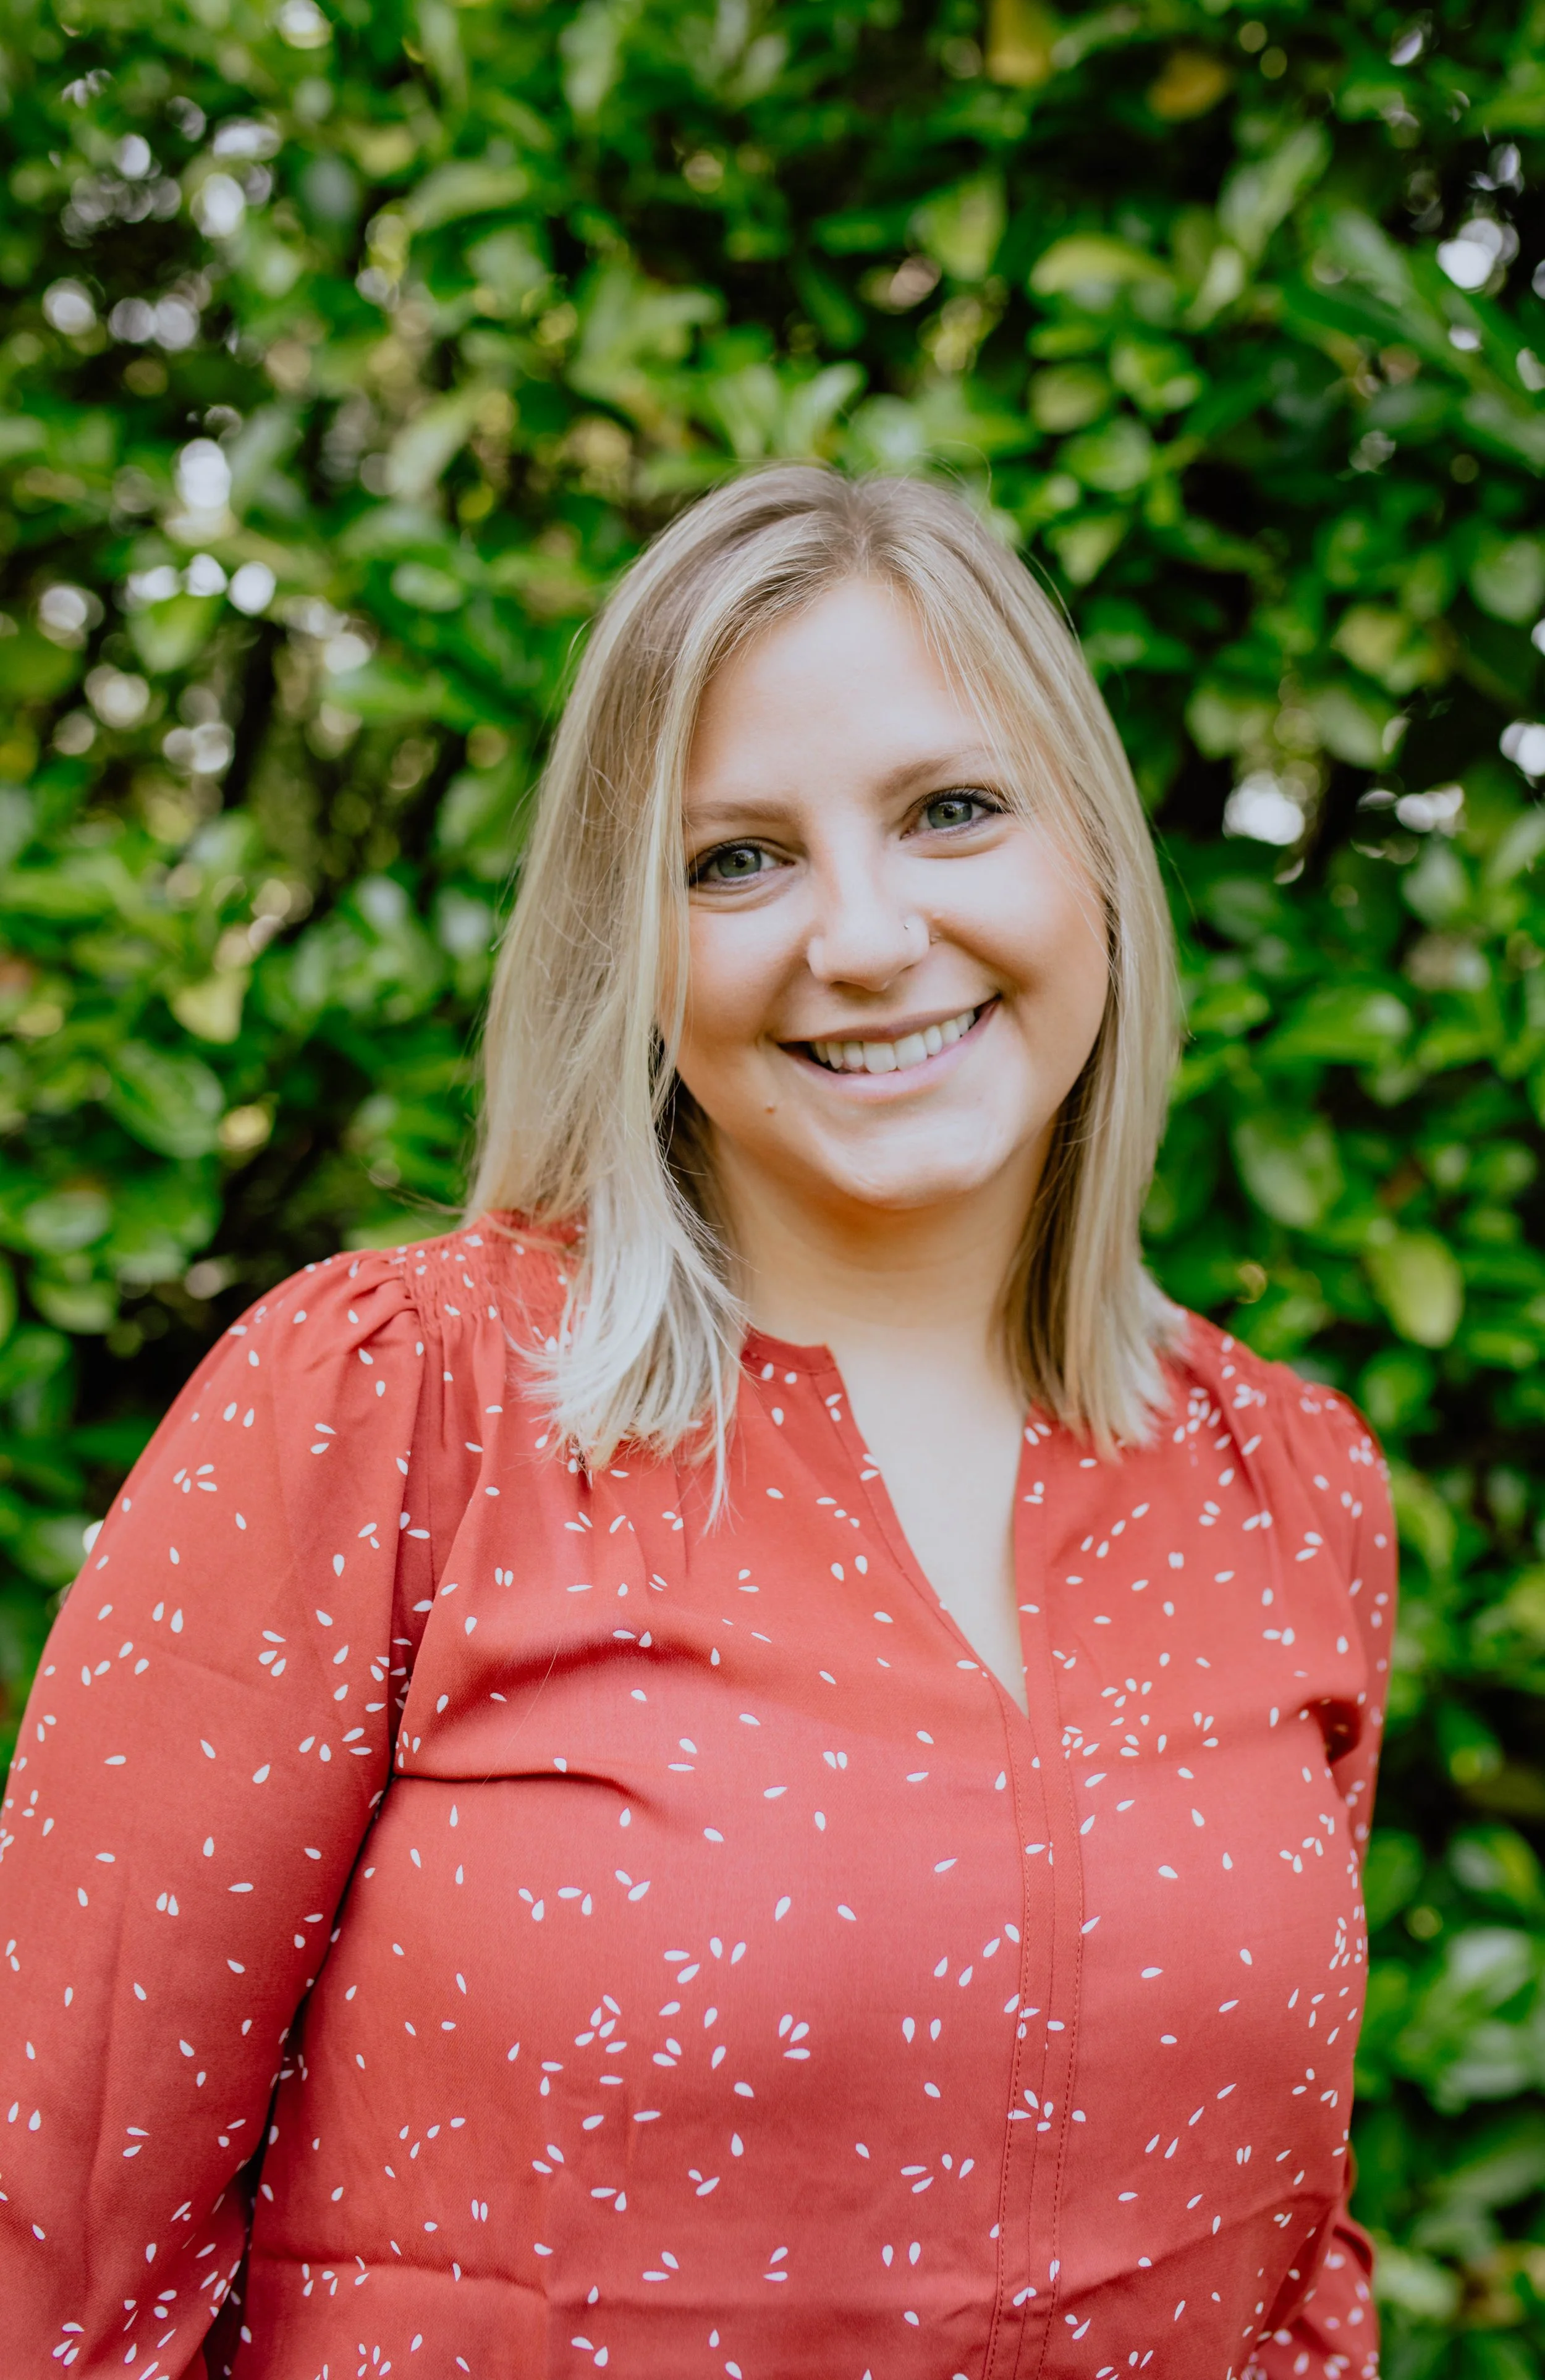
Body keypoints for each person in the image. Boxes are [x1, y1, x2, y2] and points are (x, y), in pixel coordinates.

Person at [0, 466, 1390, 2379]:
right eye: (735, 859)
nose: (865, 935)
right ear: (629, 948)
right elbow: (53, 2253)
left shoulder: (1283, 1485)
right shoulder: (395, 1407)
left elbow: (1293, 2283)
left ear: (1094, 855)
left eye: (951, 810)